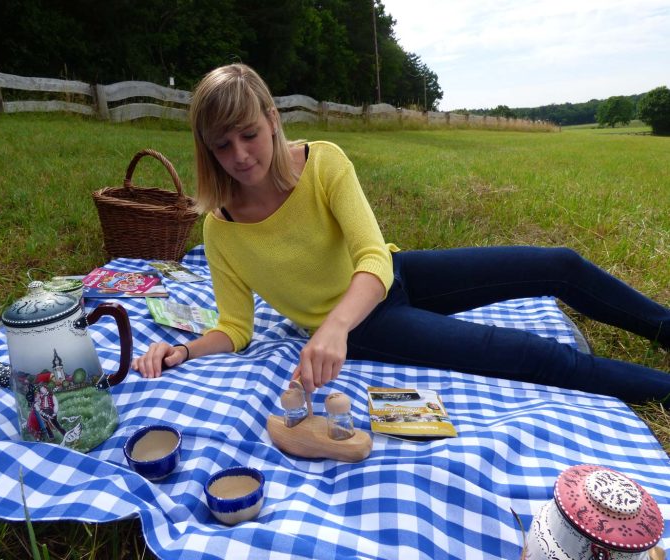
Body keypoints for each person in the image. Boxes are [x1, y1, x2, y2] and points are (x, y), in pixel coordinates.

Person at [131, 63, 670, 404]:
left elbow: (372, 256)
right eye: (222, 146)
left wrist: (331, 327)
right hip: (367, 330)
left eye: (249, 135)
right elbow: (235, 326)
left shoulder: (324, 164)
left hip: (392, 277)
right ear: (207, 149)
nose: (240, 156)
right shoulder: (221, 229)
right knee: (535, 355)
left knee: (558, 264)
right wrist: (187, 352)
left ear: (272, 119)